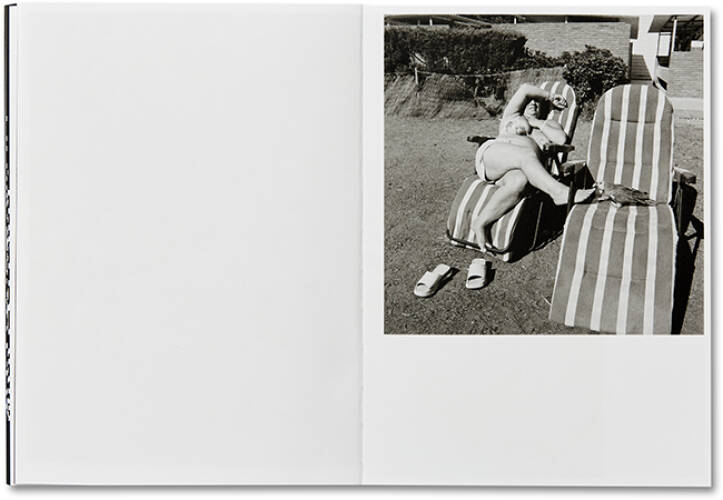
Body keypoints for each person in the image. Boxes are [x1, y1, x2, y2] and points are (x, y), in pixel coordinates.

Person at [470, 83, 595, 252]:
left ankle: (480, 223)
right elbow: (524, 89)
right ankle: (558, 192)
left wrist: (536, 123)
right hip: (494, 157)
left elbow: (561, 140)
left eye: (537, 103)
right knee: (526, 154)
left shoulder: (548, 124)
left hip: (515, 171)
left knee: (519, 182)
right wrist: (550, 96)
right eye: (531, 100)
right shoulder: (513, 115)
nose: (533, 104)